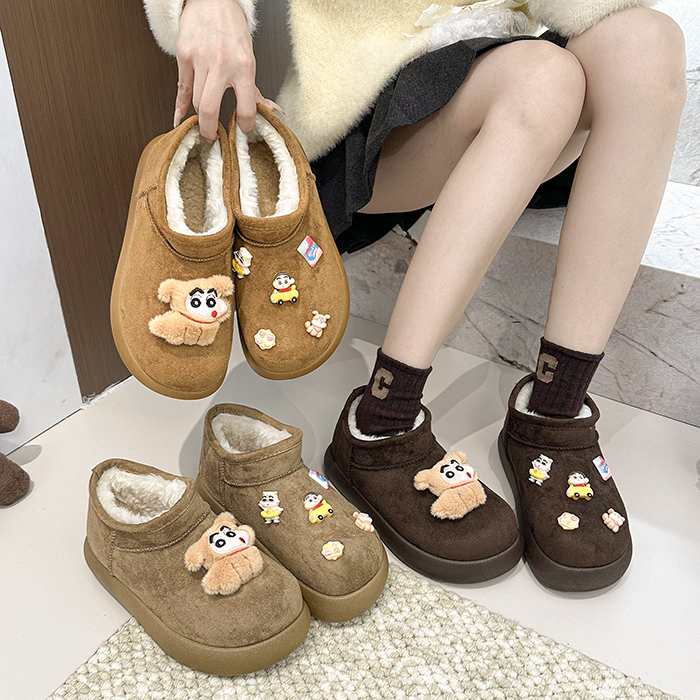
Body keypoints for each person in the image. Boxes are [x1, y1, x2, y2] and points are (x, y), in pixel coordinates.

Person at [142, 0, 687, 590]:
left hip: (518, 87)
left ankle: (555, 410)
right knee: (543, 79)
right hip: (378, 112)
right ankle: (382, 417)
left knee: (647, 41)